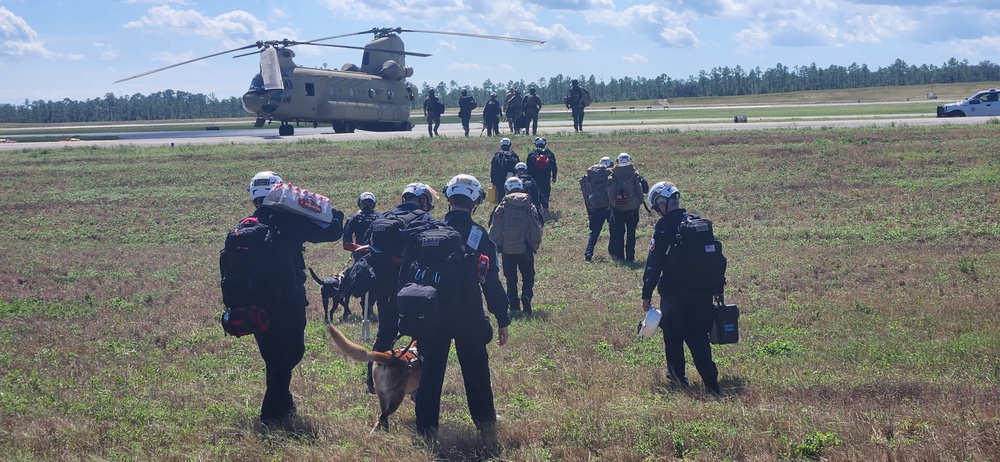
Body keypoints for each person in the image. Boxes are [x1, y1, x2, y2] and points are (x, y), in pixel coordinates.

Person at [243, 170, 345, 426]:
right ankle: (271, 414)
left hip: (256, 302)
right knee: (292, 353)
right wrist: (332, 212)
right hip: (288, 299)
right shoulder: (287, 221)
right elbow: (332, 231)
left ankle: (284, 403)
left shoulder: (247, 224)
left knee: (274, 357)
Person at [414, 174, 510, 445]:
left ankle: (426, 429)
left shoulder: (428, 232)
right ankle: (485, 423)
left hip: (432, 313)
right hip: (468, 314)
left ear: (448, 199)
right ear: (476, 202)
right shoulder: (480, 236)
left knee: (431, 372)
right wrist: (502, 318)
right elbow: (490, 281)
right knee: (476, 371)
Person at [641, 181, 721, 394]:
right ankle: (711, 383)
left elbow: (654, 261)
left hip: (675, 295)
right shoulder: (698, 222)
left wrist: (646, 293)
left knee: (673, 337)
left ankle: (677, 380)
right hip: (702, 293)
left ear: (661, 203)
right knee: (698, 337)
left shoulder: (664, 226)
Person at [364, 183, 437, 393]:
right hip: (414, 287)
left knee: (385, 332)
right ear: (423, 200)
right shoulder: (425, 219)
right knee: (422, 333)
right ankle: (420, 381)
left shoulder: (384, 218)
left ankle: (373, 382)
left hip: (384, 286)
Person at [489, 177, 544, 315]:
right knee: (528, 275)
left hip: (507, 250)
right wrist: (533, 243)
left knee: (510, 278)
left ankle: (513, 305)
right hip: (526, 248)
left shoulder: (501, 206)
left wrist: (499, 245)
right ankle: (526, 295)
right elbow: (539, 225)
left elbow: (493, 229)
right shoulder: (529, 205)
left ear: (506, 189)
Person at [607, 153, 649, 262]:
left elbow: (608, 192)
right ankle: (630, 257)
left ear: (617, 161)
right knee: (631, 234)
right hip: (633, 209)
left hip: (617, 209)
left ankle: (620, 257)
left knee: (619, 234)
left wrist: (614, 204)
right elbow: (645, 188)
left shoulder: (613, 174)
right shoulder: (635, 174)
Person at [580, 156, 614, 262]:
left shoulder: (590, 176)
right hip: (610, 207)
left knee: (594, 232)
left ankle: (588, 252)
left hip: (596, 207)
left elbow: (586, 195)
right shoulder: (611, 174)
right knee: (614, 230)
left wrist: (589, 211)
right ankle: (613, 252)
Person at [525, 137, 557, 220]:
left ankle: (536, 208)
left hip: (534, 177)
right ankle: (545, 207)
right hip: (546, 177)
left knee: (535, 192)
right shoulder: (549, 154)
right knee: (546, 191)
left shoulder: (532, 154)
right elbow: (554, 166)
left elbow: (528, 167)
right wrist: (554, 176)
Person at [489, 137, 520, 204]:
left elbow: (493, 169)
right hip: (512, 178)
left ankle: (501, 206)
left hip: (500, 179)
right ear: (509, 145)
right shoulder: (514, 155)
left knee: (500, 194)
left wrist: (493, 180)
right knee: (512, 193)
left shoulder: (497, 155)